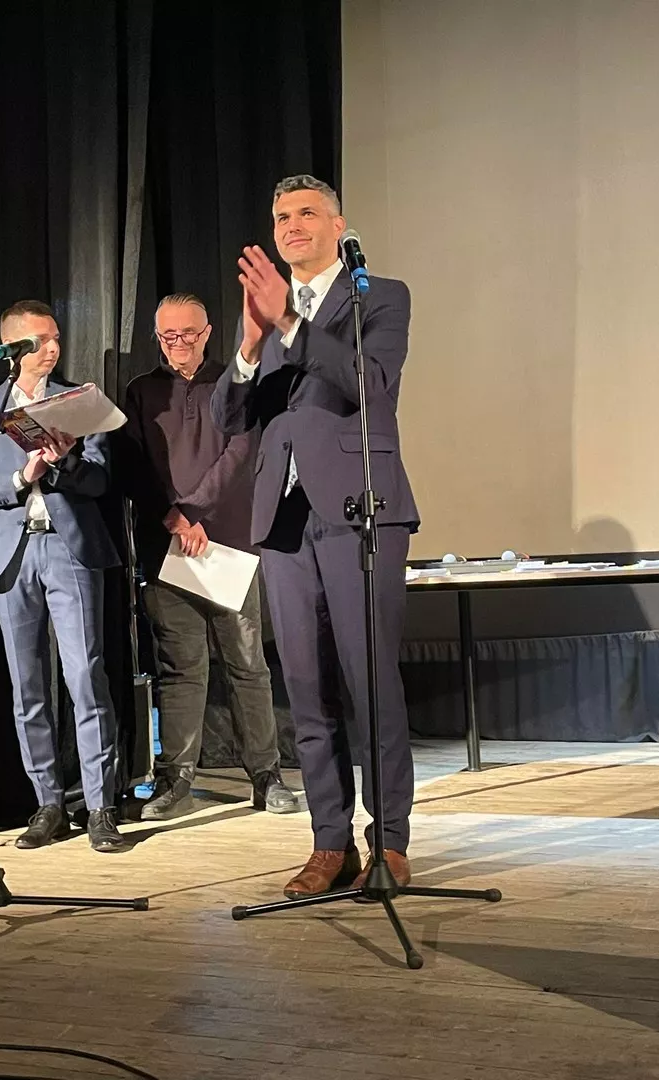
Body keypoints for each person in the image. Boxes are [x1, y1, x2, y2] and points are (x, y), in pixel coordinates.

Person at [210, 175, 420, 898]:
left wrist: (292, 326)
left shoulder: (378, 296)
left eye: (306, 213)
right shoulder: (267, 313)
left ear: (338, 225)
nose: (291, 225)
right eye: (281, 217)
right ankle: (330, 842)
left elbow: (371, 384)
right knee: (306, 690)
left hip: (362, 509)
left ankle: (389, 841)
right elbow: (229, 418)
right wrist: (249, 344)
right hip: (285, 520)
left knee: (370, 682)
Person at [0, 300, 129, 853]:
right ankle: (48, 803)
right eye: (40, 341)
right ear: (12, 348)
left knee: (85, 677)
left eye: (56, 338)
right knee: (27, 688)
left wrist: (62, 463)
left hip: (68, 548)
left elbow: (100, 481)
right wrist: (20, 475)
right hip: (11, 555)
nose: (52, 349)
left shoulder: (78, 402)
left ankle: (100, 807)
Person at [122, 293, 299, 820]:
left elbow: (242, 453)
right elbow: (132, 463)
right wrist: (173, 518)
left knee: (247, 664)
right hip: (166, 547)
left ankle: (265, 775)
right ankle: (176, 780)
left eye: (188, 333)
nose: (178, 343)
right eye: (167, 335)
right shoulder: (140, 391)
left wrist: (194, 511)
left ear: (207, 332)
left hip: (229, 547)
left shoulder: (234, 383)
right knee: (180, 668)